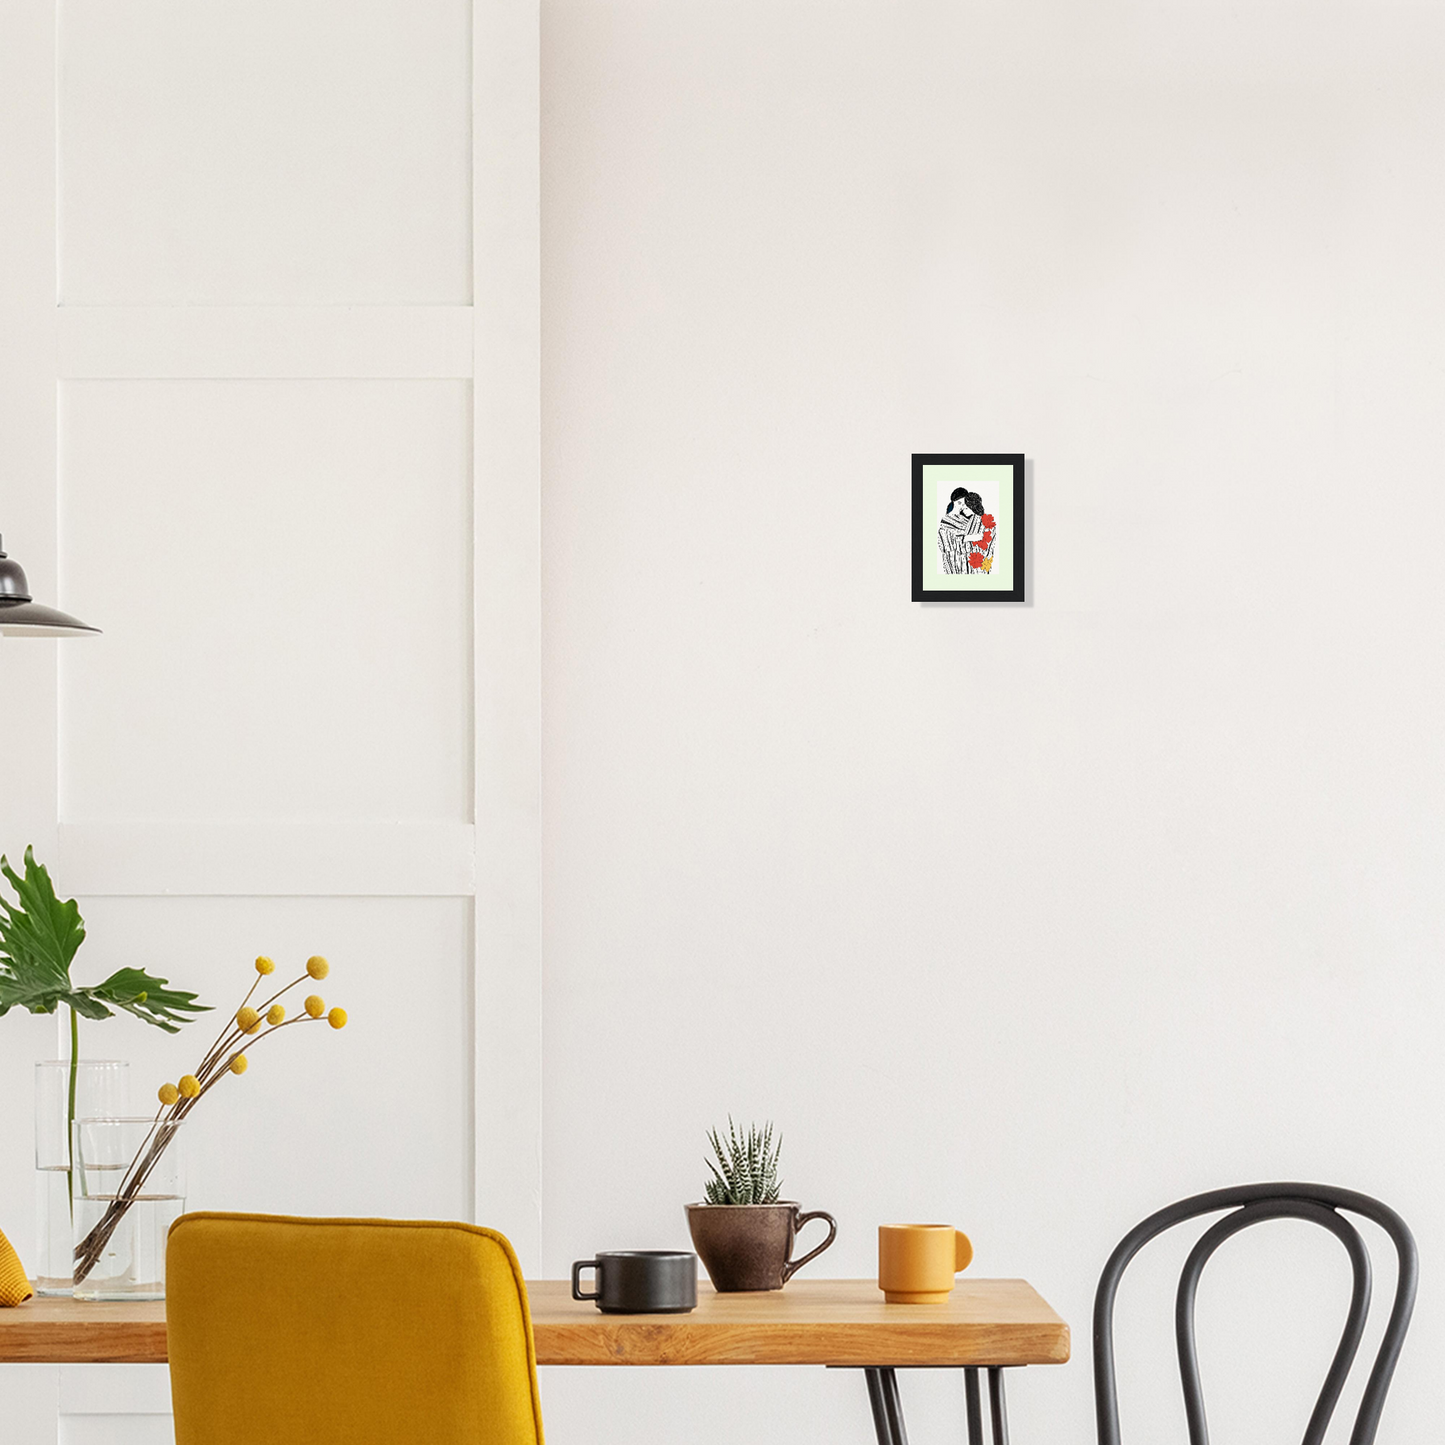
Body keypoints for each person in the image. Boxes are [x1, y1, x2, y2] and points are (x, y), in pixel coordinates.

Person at [937, 487, 984, 574]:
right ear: (958, 502)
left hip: (971, 561)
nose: (965, 505)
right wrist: (968, 538)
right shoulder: (946, 520)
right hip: (955, 561)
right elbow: (946, 543)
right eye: (963, 503)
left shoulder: (968, 518)